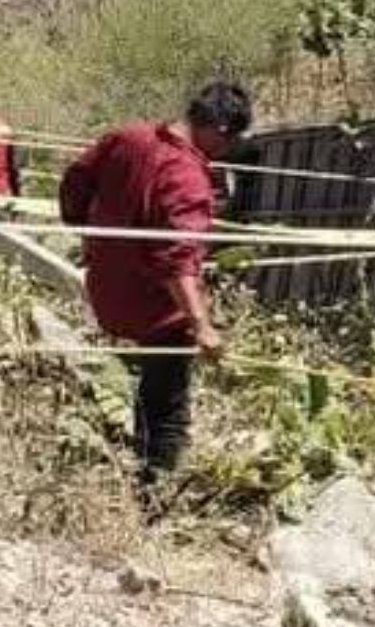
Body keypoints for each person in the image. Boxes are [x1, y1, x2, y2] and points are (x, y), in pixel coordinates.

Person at [58, 81, 252, 492]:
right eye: (230, 138)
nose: (227, 148)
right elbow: (178, 261)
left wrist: (89, 234)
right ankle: (154, 493)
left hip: (106, 291)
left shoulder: (127, 138)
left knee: (153, 383)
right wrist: (202, 326)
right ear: (218, 127)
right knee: (168, 404)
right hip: (150, 308)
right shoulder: (187, 177)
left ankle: (142, 457)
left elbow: (75, 179)